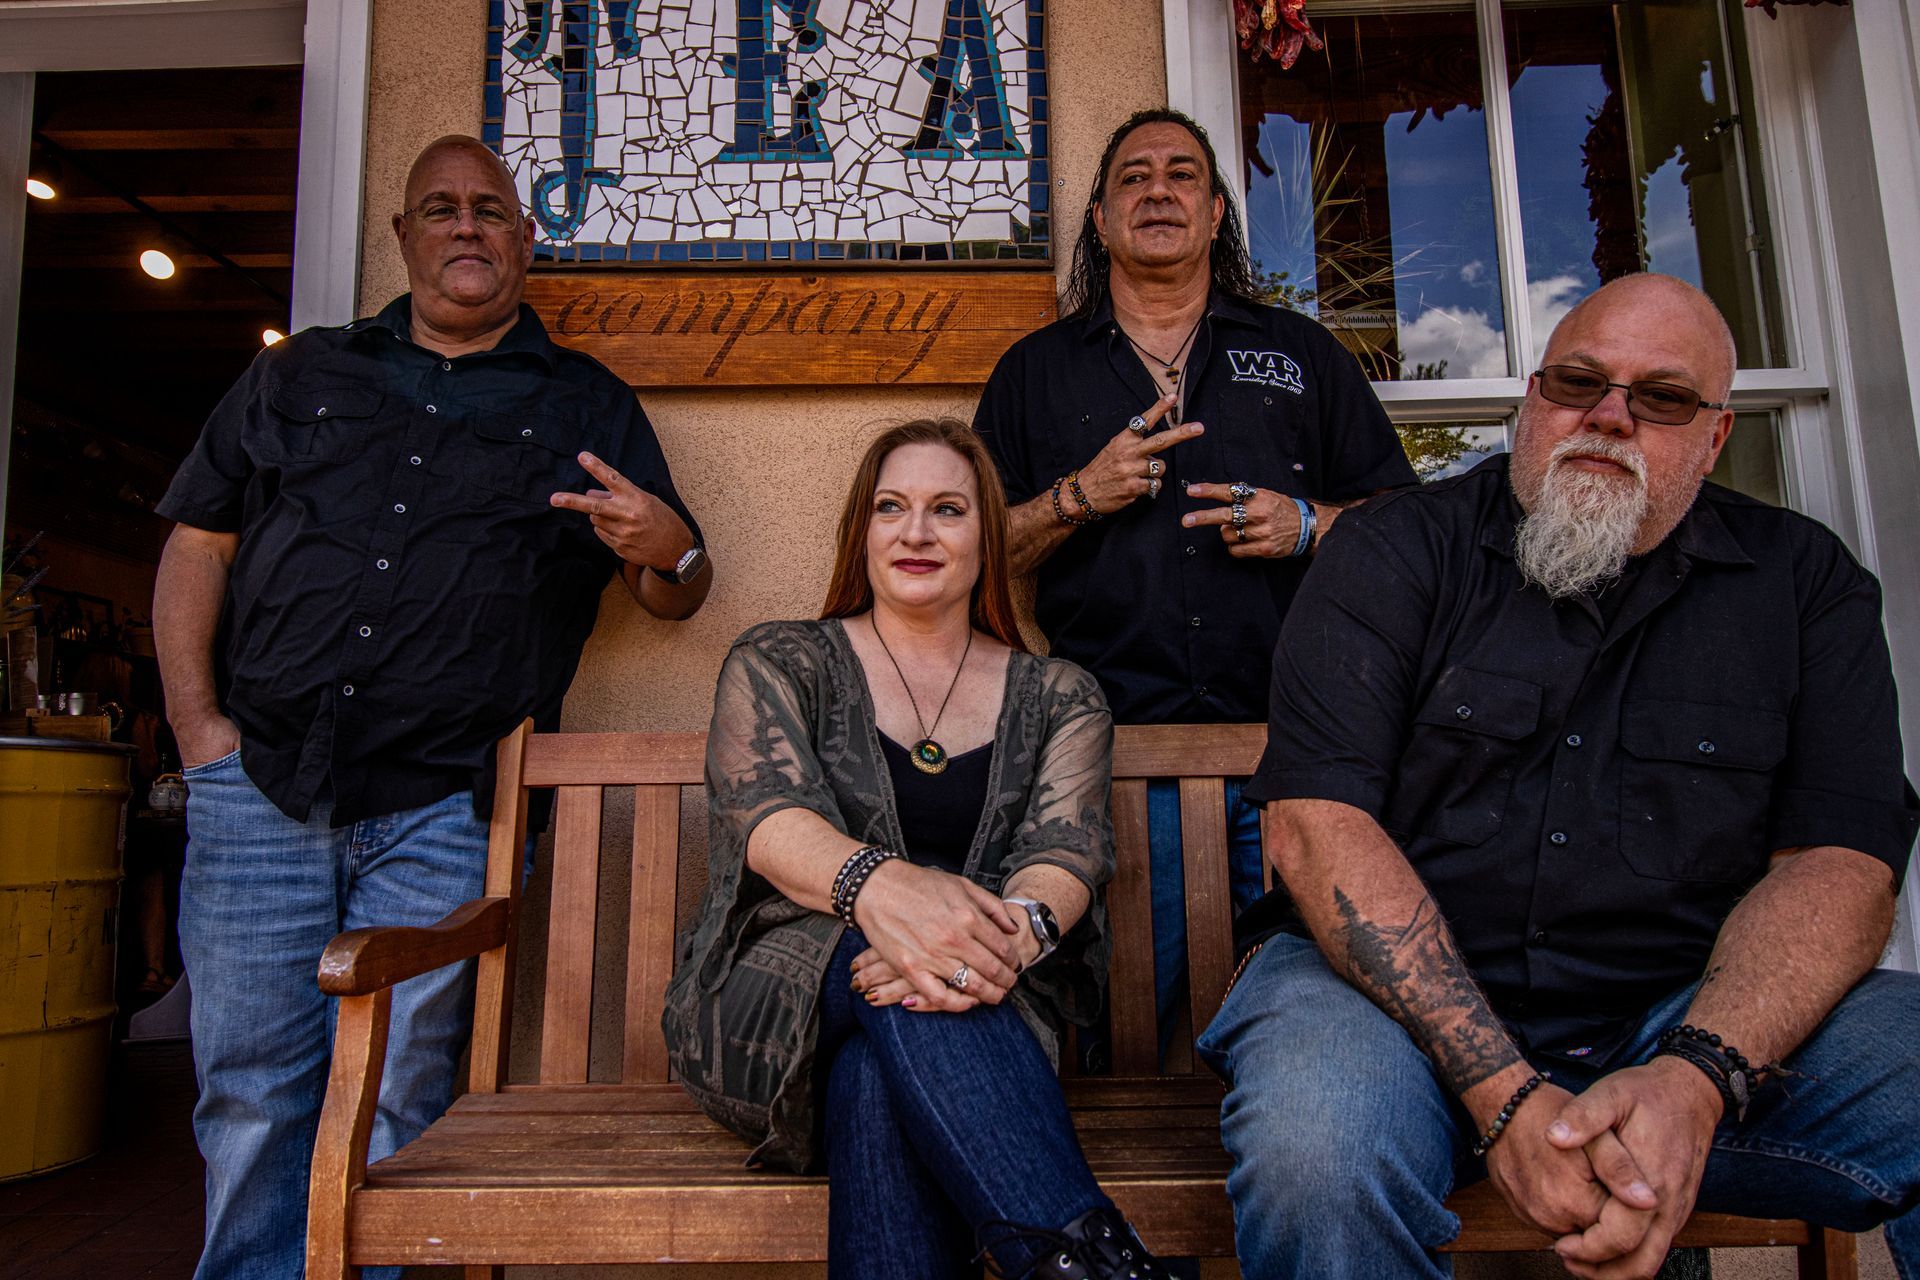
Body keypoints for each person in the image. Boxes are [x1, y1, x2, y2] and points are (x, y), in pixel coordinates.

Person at [1202, 273, 1920, 1279]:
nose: (1610, 416)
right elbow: (1316, 824)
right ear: (1534, 397)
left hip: (1687, 1008)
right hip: (1382, 1010)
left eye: (1662, 397)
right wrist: (1503, 1093)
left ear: (1716, 435)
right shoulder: (1393, 547)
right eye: (1579, 382)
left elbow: (1841, 863)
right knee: (1317, 1152)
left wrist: (1698, 1078)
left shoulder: (1805, 582)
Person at [152, 134, 712, 1279]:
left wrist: (673, 547)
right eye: (443, 208)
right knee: (251, 1087)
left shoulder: (584, 402)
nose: (467, 225)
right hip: (259, 785)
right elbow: (197, 545)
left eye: (491, 210)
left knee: (403, 1093)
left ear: (526, 239)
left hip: (445, 809)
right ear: (402, 234)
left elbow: (675, 587)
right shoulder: (299, 374)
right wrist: (199, 731)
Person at [663, 419, 1172, 1279]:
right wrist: (894, 901)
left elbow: (1066, 852)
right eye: (891, 507)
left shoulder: (1061, 695)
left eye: (949, 509)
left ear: (989, 536)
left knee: (880, 1067)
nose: (917, 532)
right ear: (860, 531)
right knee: (897, 966)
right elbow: (769, 818)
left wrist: (997, 941)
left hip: (983, 998)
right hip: (777, 1009)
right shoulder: (780, 660)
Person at [974, 108, 1413, 1044]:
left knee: (1319, 1019)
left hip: (1296, 756)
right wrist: (1078, 497)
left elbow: (1409, 532)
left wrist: (1308, 524)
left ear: (1216, 213)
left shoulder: (1299, 354)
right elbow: (972, 557)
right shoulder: (1034, 373)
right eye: (1133, 178)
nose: (1159, 192)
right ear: (1100, 220)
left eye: (1182, 175)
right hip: (1112, 762)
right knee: (1118, 1034)